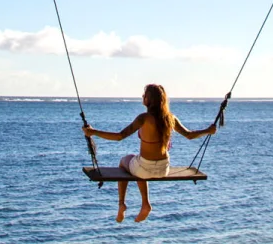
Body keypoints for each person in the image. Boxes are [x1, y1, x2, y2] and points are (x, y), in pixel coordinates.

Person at [82, 83, 217, 223]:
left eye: (144, 95)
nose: (142, 96)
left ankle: (122, 203)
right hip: (164, 169)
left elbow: (119, 136)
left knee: (125, 162)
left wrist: (93, 132)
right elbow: (189, 135)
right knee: (139, 164)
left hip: (144, 168)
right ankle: (145, 204)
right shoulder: (170, 118)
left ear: (149, 99)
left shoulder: (143, 118)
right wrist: (208, 130)